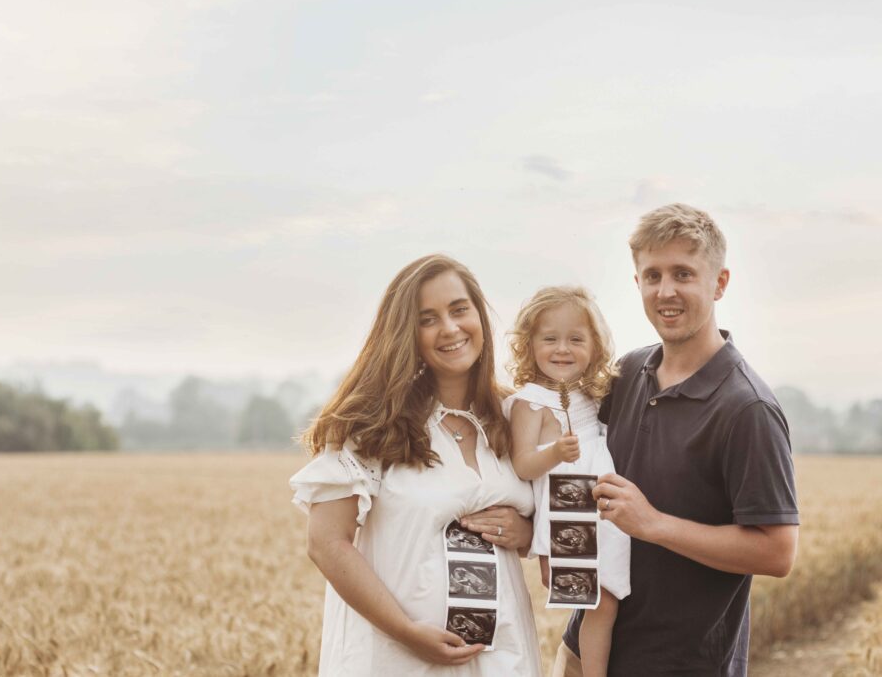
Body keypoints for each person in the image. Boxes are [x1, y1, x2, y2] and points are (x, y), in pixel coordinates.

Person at [551, 204, 800, 676]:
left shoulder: (747, 409)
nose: (666, 291)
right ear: (637, 283)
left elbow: (777, 551)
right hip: (585, 653)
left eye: (683, 273)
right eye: (653, 275)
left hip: (681, 666)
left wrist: (653, 524)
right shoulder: (625, 373)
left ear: (719, 282)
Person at [290, 254, 543, 676]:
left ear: (479, 315)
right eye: (428, 319)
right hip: (398, 656)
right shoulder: (369, 424)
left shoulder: (517, 415)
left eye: (459, 310)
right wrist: (406, 631)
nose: (450, 328)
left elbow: (562, 518)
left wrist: (527, 534)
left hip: (500, 656)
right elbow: (327, 543)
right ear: (406, 332)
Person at [501, 286, 631, 677]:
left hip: (603, 506)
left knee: (609, 597)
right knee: (597, 601)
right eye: (550, 339)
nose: (563, 349)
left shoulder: (592, 394)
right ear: (529, 345)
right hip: (567, 508)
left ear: (595, 346)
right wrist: (555, 453)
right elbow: (524, 464)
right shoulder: (530, 401)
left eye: (576, 339)